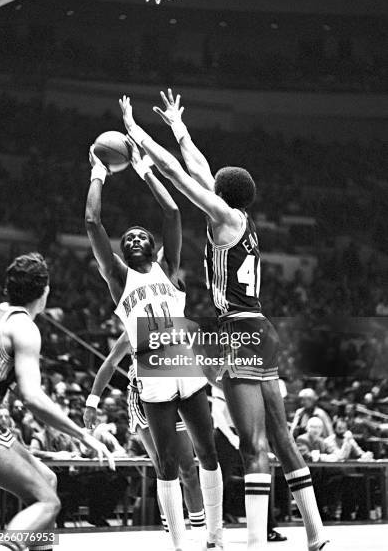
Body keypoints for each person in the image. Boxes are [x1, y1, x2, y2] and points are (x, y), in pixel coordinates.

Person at [119, 89, 331, 551]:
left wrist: (138, 136)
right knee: (281, 434)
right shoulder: (243, 220)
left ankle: (255, 542)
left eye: (213, 181)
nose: (207, 177)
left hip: (237, 330)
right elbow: (196, 164)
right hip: (262, 327)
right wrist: (178, 127)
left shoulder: (223, 217)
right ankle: (316, 532)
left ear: (221, 193)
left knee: (254, 442)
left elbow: (179, 173)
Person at [85, 143, 223, 551]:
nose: (136, 238)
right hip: (152, 371)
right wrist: (98, 173)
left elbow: (174, 214)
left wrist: (145, 167)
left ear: (155, 246)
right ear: (121, 253)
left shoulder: (169, 269)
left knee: (206, 453)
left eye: (143, 235)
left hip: (183, 361)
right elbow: (92, 222)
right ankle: (180, 545)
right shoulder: (118, 278)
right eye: (129, 238)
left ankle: (214, 536)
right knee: (166, 463)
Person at [0, 252, 114, 551]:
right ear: (44, 291)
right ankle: (7, 547)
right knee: (47, 502)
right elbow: (32, 397)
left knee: (47, 479)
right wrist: (82, 435)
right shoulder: (25, 327)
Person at [83, 331, 207, 540]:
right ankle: (172, 534)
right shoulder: (133, 327)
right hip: (143, 398)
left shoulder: (174, 323)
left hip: (175, 392)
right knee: (165, 467)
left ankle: (200, 531)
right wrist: (92, 401)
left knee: (188, 468)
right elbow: (110, 363)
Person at [211, 386, 287, 542]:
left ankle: (267, 529)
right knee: (217, 484)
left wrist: (262, 445)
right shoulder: (222, 377)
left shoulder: (252, 380)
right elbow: (217, 412)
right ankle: (211, 531)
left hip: (248, 434)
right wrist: (231, 438)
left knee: (261, 478)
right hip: (226, 436)